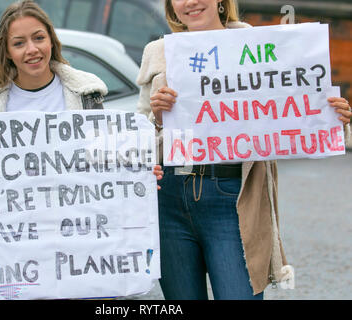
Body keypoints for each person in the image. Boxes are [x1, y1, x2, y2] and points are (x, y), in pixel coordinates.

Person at [136, 0, 352, 300]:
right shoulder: (158, 53)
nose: (191, 2)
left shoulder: (259, 48)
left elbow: (291, 116)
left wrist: (332, 119)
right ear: (172, 6)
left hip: (232, 197)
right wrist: (159, 119)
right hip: (169, 198)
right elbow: (140, 139)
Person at [0, 0, 163, 228]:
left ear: (51, 41)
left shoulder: (85, 92)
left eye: (38, 38)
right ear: (6, 51)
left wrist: (136, 173)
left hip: (76, 227)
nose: (32, 49)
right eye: (19, 43)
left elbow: (105, 159)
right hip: (17, 234)